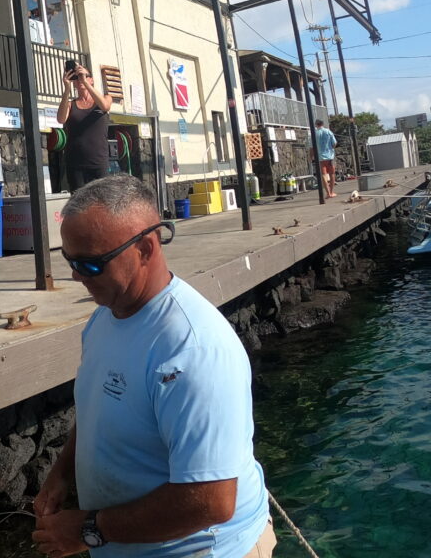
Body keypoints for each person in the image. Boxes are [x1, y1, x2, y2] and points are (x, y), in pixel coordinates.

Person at [33, 175, 274, 558]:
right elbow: (99, 410)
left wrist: (88, 530)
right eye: (70, 261)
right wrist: (61, 472)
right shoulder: (106, 316)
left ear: (146, 248)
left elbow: (211, 502)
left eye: (90, 264)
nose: (76, 276)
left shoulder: (192, 349)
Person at [56, 62, 113, 189]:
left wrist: (85, 83)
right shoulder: (70, 104)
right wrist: (67, 89)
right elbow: (60, 119)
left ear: (91, 80)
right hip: (76, 164)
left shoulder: (105, 98)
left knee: (101, 198)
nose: (80, 79)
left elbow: (105, 106)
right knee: (79, 199)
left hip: (98, 163)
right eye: (77, 77)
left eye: (84, 75)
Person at [314, 120, 338, 198]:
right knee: (332, 173)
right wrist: (331, 148)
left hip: (320, 157)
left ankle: (328, 193)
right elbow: (334, 143)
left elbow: (311, 147)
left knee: (324, 174)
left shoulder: (315, 133)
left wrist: (311, 156)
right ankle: (331, 192)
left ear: (316, 125)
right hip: (330, 156)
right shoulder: (328, 131)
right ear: (323, 124)